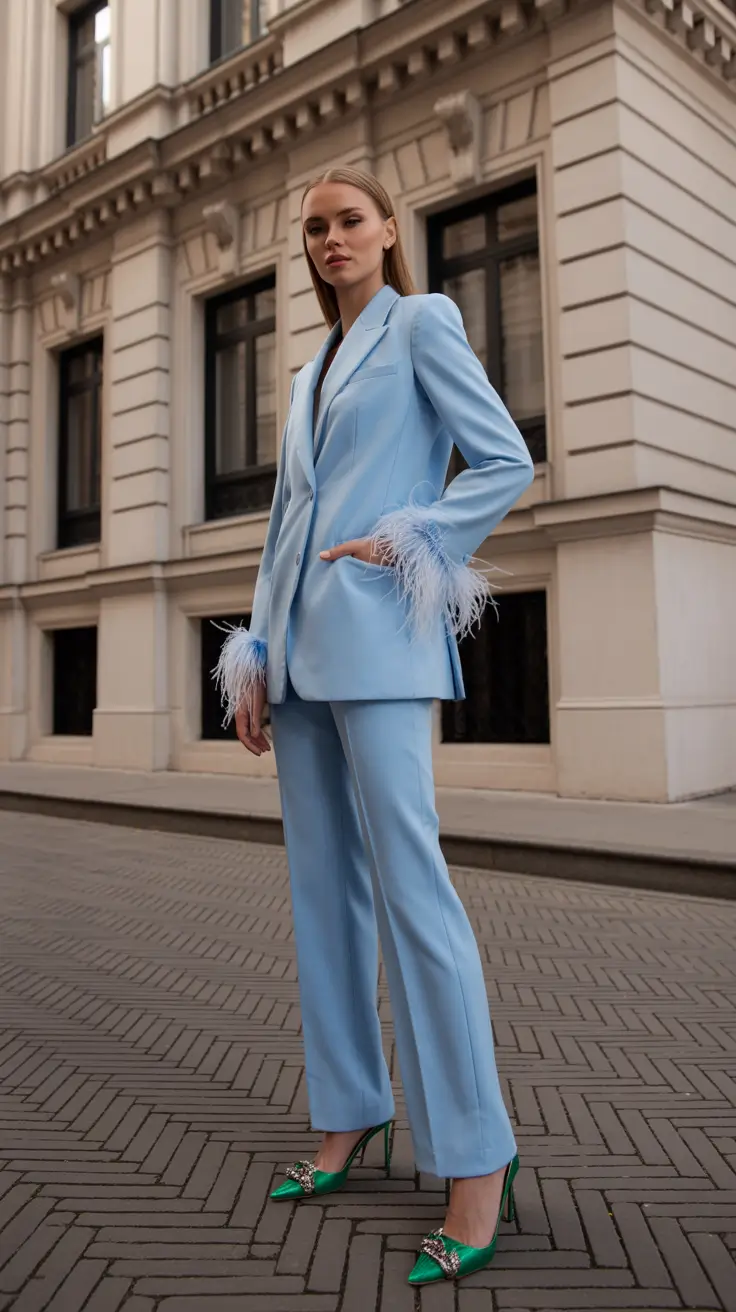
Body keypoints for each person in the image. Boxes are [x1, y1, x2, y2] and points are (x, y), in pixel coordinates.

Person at [214, 166, 534, 1285]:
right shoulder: (305, 371)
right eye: (313, 227)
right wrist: (252, 656)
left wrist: (410, 536)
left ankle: (475, 1158)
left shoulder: (422, 324)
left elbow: (502, 458)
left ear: (387, 231)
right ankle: (350, 1113)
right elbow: (283, 525)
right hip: (298, 660)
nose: (332, 238)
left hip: (383, 644)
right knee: (323, 899)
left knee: (413, 893)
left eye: (350, 220)